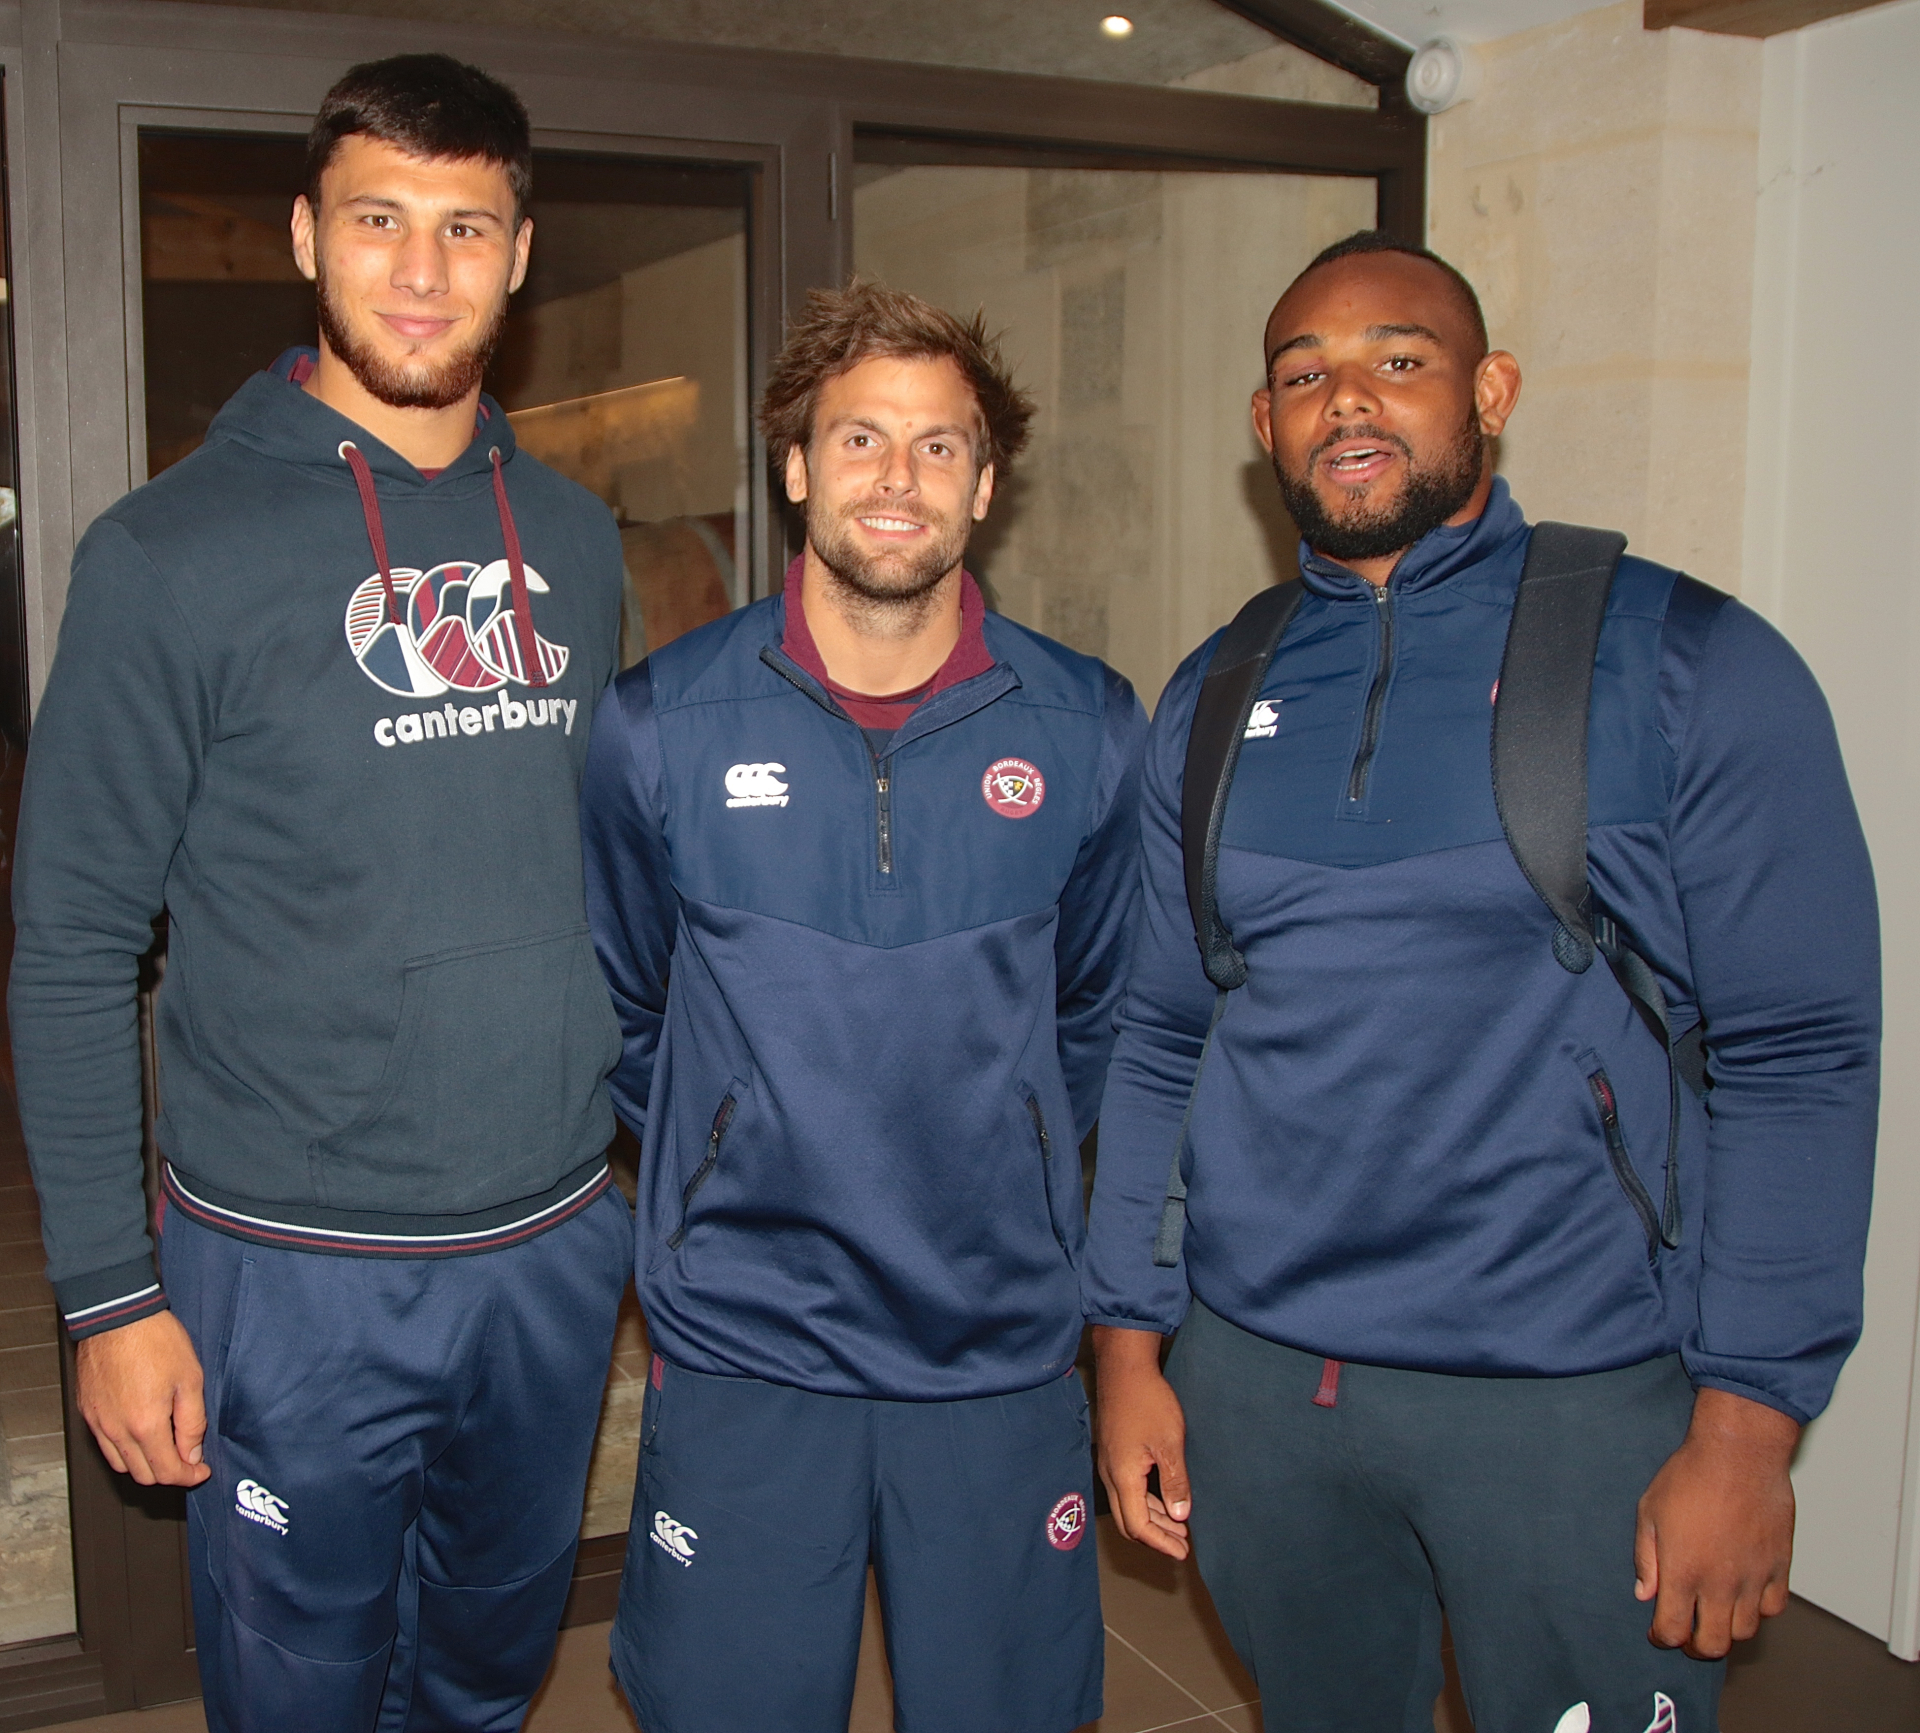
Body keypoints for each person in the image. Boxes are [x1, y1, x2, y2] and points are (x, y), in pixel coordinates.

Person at [1084, 231, 1879, 1733]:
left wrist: (1747, 1430)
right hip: (1266, 1387)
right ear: (1264, 425)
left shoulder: (1685, 659)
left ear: (1491, 390)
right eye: (1304, 375)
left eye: (1400, 359)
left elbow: (1800, 1056)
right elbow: (1160, 1033)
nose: (1347, 399)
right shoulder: (1215, 693)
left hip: (1572, 1391)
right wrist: (1127, 1343)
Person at [9, 54, 630, 1731]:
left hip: (550, 1247)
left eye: (464, 227)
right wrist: (109, 1293)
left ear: (519, 254)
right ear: (303, 235)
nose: (422, 270)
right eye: (378, 219)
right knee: (300, 1691)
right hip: (292, 1269)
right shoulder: (166, 555)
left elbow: (608, 874)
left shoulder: (575, 540)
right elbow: (71, 944)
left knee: (490, 1672)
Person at [581, 280, 1145, 1733]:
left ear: (985, 483)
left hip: (997, 1343)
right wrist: (730, 1142)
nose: (899, 478)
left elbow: (1092, 1012)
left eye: (938, 445)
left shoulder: (1086, 726)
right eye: (859, 439)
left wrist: (1005, 1145)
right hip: (750, 1340)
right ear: (795, 467)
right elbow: (630, 1010)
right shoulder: (658, 725)